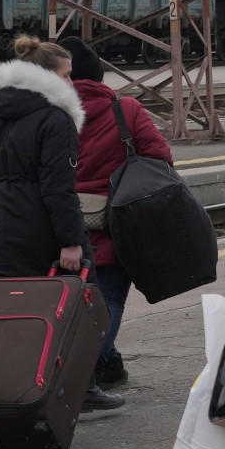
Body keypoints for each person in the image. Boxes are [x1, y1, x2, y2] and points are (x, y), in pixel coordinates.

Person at [0, 34, 122, 411]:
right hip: (45, 233)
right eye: (65, 75)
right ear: (47, 76)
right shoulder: (56, 117)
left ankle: (3, 387)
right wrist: (70, 242)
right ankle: (81, 390)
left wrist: (5, 198)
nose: (70, 83)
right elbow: (58, 187)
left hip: (0, 232)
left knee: (7, 315)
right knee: (80, 308)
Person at [61, 36, 174, 389]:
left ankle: (106, 363)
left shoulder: (49, 112)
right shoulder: (125, 110)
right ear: (99, 77)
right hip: (114, 223)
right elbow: (161, 160)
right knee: (107, 298)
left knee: (64, 302)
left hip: (59, 222)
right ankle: (90, 371)